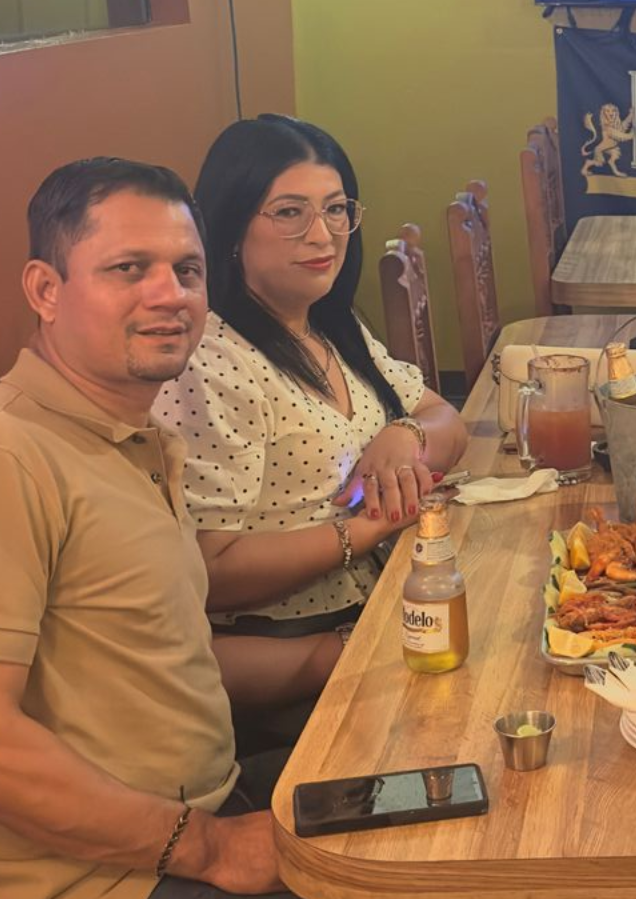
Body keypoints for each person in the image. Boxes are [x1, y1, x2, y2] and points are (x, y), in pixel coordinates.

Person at [0, 158, 506, 899]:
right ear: (45, 288)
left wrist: (358, 662)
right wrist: (212, 848)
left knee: (469, 799)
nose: (169, 294)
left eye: (186, 269)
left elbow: (175, 656)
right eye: (127, 269)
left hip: (201, 803)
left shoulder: (132, 443)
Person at [152, 115, 467, 715]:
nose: (323, 235)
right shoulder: (211, 363)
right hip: (296, 666)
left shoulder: (325, 325)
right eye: (290, 212)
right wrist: (371, 526)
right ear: (231, 227)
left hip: (387, 608)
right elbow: (209, 571)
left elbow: (443, 417)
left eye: (336, 209)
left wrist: (405, 435)